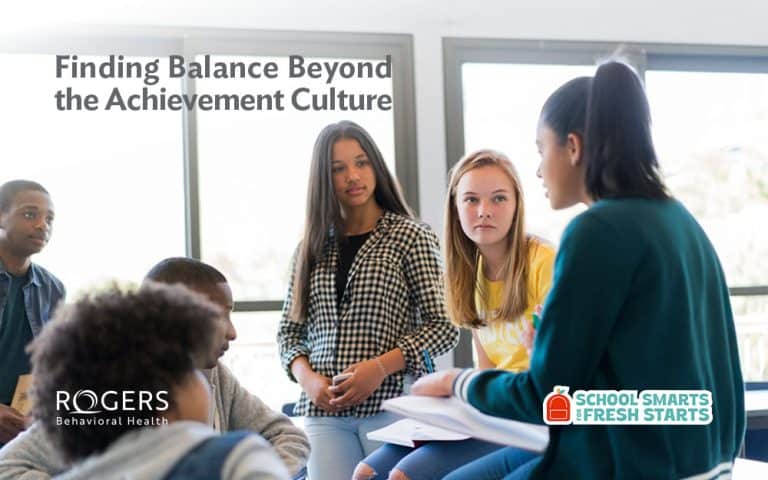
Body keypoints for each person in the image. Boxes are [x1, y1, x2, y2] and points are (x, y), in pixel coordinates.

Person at [412, 61, 745, 479]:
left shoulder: (597, 230)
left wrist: (458, 383)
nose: (537, 171)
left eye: (540, 149)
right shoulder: (679, 220)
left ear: (572, 147)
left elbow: (546, 396)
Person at [0, 257, 310, 478]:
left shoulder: (216, 376)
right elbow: (9, 464)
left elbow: (288, 436)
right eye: (219, 316)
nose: (232, 332)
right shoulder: (108, 390)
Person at [354, 150, 555, 480]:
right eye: (471, 200)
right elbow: (487, 368)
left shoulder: (543, 262)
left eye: (499, 199)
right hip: (491, 410)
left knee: (402, 477)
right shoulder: (468, 273)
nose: (484, 212)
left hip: (527, 415)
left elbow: (554, 374)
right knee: (366, 473)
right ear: (456, 207)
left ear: (517, 204)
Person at [278, 120, 459, 480]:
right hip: (323, 416)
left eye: (361, 162)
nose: (352, 176)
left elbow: (444, 326)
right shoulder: (310, 248)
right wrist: (309, 379)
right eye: (338, 168)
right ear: (324, 179)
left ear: (375, 166)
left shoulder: (411, 236)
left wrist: (378, 368)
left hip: (393, 405)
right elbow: (288, 332)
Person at [0, 180, 65, 446]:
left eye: (49, 218)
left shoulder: (53, 288)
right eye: (30, 214)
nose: (42, 225)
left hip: (22, 429)